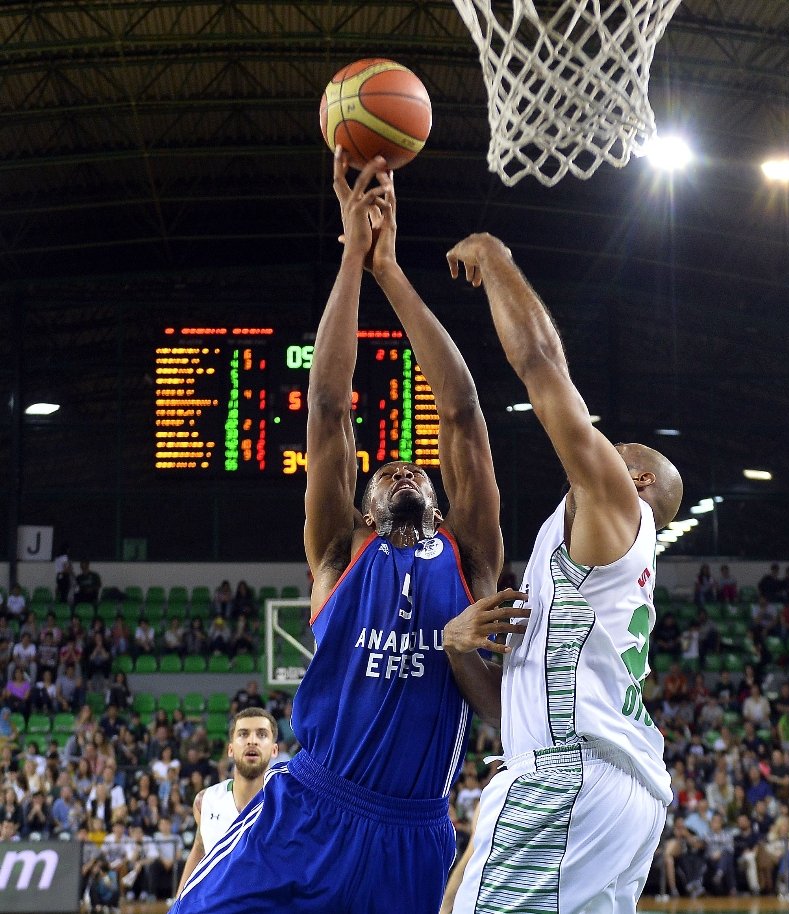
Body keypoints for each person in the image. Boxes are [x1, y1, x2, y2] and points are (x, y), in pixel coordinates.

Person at [172, 154, 505, 914]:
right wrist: (355, 257)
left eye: (416, 471)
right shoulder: (338, 553)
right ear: (361, 508)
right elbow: (326, 406)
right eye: (386, 472)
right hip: (310, 809)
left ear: (440, 498)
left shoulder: (472, 558)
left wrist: (394, 270)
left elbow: (462, 412)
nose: (405, 474)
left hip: (413, 831)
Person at [441, 232, 683, 914]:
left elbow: (543, 366)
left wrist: (498, 260)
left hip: (573, 776)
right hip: (608, 786)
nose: (606, 447)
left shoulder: (616, 502)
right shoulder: (590, 560)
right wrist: (460, 648)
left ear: (634, 476)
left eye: (619, 447)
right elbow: (510, 708)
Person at [175, 708, 278, 896]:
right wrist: (178, 904)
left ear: (274, 749)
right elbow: (199, 848)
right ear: (230, 749)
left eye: (262, 734)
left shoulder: (289, 804)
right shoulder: (205, 801)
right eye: (243, 734)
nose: (252, 740)